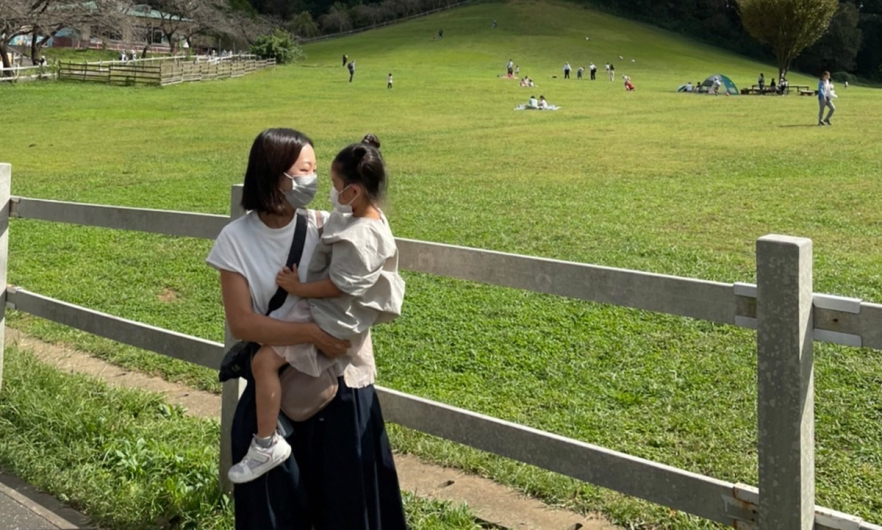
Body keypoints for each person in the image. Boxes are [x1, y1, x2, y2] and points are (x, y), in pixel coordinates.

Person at [208, 129, 407, 529]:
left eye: (317, 170)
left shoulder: (326, 227)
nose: (313, 180)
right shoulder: (236, 239)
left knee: (349, 511)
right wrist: (312, 335)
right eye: (305, 169)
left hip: (341, 388)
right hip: (278, 400)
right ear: (275, 174)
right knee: (275, 514)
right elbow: (242, 323)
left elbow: (365, 275)